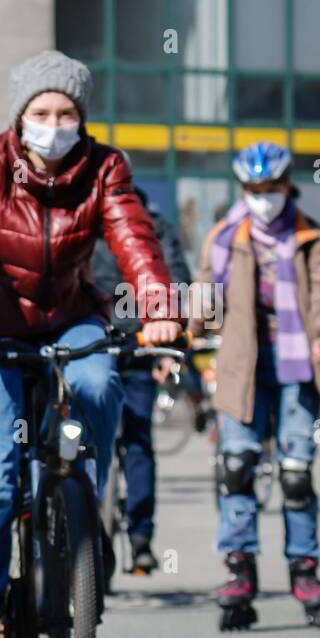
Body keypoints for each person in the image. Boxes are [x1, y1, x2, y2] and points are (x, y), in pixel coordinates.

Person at [0, 50, 181, 638]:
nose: (55, 123)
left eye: (67, 112)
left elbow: (134, 240)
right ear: (20, 117)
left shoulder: (103, 168)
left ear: (81, 117)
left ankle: (86, 502)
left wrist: (161, 309)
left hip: (70, 317)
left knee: (99, 379)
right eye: (41, 111)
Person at [194, 141, 320, 629]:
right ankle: (240, 569)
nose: (263, 197)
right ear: (243, 189)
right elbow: (205, 293)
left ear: (286, 185)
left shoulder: (310, 236)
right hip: (242, 363)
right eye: (253, 189)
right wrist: (187, 332)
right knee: (238, 467)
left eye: (271, 188)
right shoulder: (224, 236)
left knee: (296, 473)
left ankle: (304, 568)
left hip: (297, 361)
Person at [91, 184, 195, 576]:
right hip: (128, 341)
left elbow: (177, 283)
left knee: (118, 442)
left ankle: (135, 537)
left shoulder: (95, 224)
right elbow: (177, 282)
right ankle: (139, 540)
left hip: (111, 341)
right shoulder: (155, 226)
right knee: (134, 445)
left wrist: (171, 345)